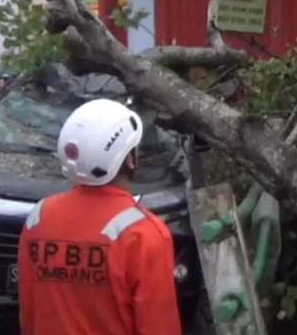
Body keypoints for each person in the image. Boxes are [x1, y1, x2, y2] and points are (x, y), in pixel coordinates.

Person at [18, 99, 181, 335]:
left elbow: (29, 313)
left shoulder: (39, 219)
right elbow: (159, 328)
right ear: (130, 159)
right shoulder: (145, 235)